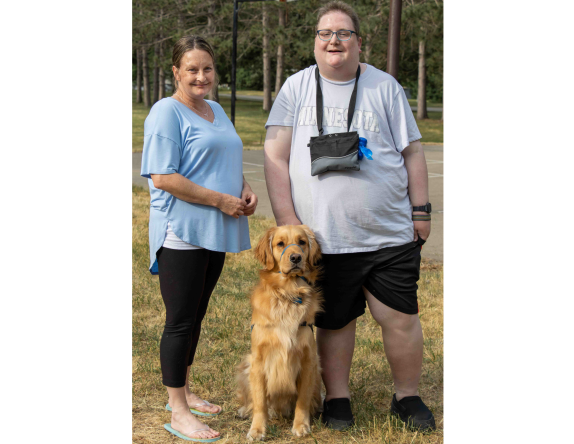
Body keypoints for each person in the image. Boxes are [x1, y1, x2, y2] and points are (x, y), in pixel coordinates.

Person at [264, 1, 436, 432]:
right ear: (316, 42)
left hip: (388, 233)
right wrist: (290, 223)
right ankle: (338, 399)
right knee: (335, 320)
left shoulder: (385, 87)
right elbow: (274, 156)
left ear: (359, 41)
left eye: (343, 33)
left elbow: (413, 151)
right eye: (325, 33)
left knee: (399, 317)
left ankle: (407, 396)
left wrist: (421, 209)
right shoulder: (296, 88)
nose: (333, 40)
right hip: (324, 238)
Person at [140, 35, 257, 441]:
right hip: (183, 231)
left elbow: (221, 158)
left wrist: (242, 188)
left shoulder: (216, 110)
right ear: (176, 72)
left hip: (215, 226)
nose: (201, 76)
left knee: (197, 316)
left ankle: (184, 391)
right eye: (191, 69)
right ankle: (177, 410)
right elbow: (163, 176)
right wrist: (220, 200)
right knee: (179, 322)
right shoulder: (165, 112)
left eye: (207, 68)